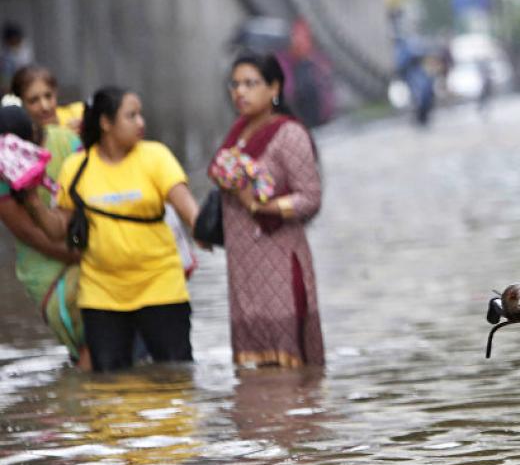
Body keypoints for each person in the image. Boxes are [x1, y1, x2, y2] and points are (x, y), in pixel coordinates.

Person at [23, 86, 199, 372]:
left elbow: (187, 206)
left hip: (161, 287)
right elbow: (57, 229)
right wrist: (31, 200)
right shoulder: (76, 167)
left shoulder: (155, 156)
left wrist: (203, 226)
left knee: (175, 376)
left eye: (140, 115)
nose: (141, 123)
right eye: (131, 116)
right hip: (102, 294)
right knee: (108, 385)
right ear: (106, 123)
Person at [210, 52, 324, 368]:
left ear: (274, 88)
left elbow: (311, 198)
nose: (240, 92)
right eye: (235, 84)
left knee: (288, 370)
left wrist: (263, 206)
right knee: (253, 377)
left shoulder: (290, 134)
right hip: (242, 265)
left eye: (250, 83)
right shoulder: (237, 134)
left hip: (280, 261)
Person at [0, 105, 88, 367]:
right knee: (89, 350)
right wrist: (92, 258)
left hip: (88, 255)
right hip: (50, 275)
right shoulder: (4, 167)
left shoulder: (65, 141)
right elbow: (34, 235)